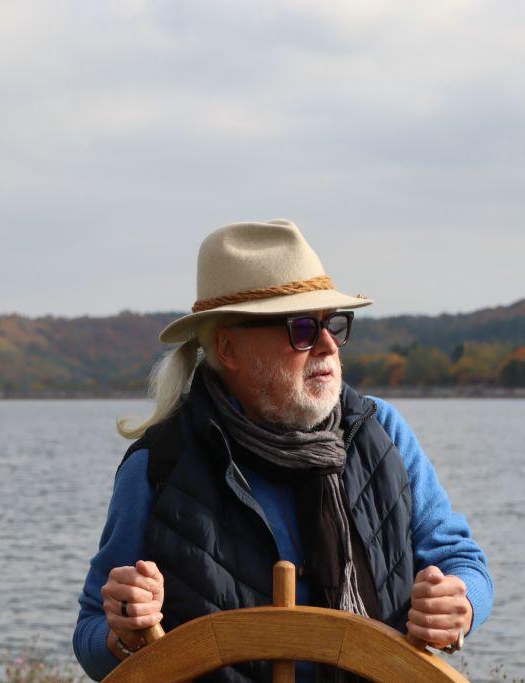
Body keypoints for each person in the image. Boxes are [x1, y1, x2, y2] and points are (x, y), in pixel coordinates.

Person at [72, 220, 493, 681]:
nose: (328, 345)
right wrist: (126, 630)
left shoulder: (383, 432)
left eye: (333, 324)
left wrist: (460, 604)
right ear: (229, 348)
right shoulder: (159, 464)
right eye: (302, 329)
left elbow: (462, 561)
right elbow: (92, 636)